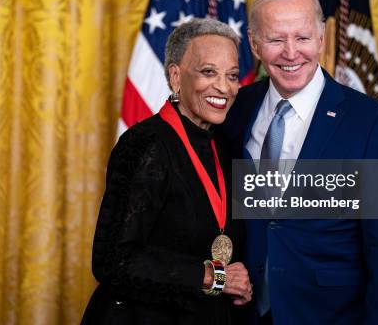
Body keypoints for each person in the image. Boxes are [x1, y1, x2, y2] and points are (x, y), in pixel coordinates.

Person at [221, 0, 378, 324]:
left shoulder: (371, 122)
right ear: (255, 44)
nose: (291, 53)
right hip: (241, 313)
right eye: (276, 39)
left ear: (321, 39)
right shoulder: (235, 109)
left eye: (303, 38)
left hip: (329, 314)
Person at [81, 18, 252, 325]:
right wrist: (212, 276)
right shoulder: (146, 144)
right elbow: (112, 260)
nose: (224, 87)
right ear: (176, 76)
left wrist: (234, 282)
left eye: (233, 75)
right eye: (208, 72)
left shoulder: (224, 146)